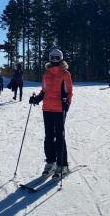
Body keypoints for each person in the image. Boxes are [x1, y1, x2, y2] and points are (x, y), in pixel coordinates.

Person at [29, 48, 73, 179]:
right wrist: (36, 99)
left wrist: (67, 105)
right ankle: (51, 162)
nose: (54, 60)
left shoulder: (65, 74)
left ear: (61, 59)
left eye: (57, 58)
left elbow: (69, 92)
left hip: (60, 109)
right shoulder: (46, 74)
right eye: (52, 58)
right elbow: (44, 91)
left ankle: (62, 165)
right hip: (47, 109)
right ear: (49, 59)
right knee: (48, 137)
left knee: (59, 137)